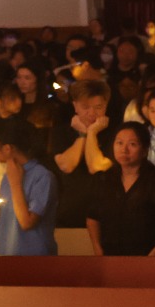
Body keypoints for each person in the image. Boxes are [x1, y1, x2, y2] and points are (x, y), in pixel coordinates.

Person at [86, 122, 155, 256]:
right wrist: (97, 248)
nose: (124, 149)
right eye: (119, 143)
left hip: (148, 258)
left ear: (144, 150)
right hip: (110, 257)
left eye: (132, 144)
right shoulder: (104, 179)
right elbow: (92, 217)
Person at [0, 116, 58, 256]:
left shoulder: (42, 176)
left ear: (7, 148)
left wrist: (15, 184)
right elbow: (16, 217)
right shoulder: (8, 176)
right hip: (7, 256)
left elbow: (26, 222)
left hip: (34, 260)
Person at [50, 78, 116, 227]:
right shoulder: (61, 132)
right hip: (69, 212)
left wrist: (91, 132)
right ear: (75, 106)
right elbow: (66, 165)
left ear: (106, 106)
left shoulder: (115, 134)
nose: (91, 113)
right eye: (85, 107)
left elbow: (96, 166)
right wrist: (82, 135)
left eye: (98, 107)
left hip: (105, 212)